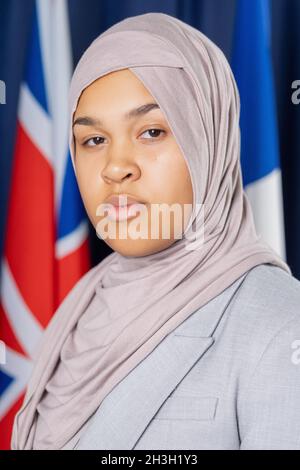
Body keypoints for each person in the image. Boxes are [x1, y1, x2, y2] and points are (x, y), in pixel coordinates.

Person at [11, 12, 300, 450]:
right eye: (93, 140)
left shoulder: (279, 323)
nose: (115, 167)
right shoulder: (80, 306)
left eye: (150, 131)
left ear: (209, 138)